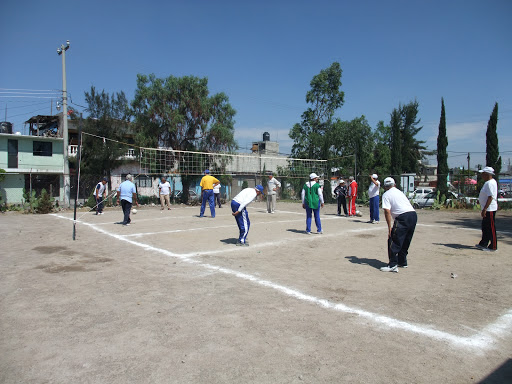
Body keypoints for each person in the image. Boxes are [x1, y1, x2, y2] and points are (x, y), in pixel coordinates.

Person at [380, 177, 417, 272]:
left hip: (402, 217)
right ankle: (402, 261)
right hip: (413, 215)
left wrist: (389, 228)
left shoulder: (386, 195)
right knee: (406, 239)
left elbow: (387, 211)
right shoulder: (399, 192)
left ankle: (392, 264)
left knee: (393, 239)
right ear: (394, 185)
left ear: (384, 187)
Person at [476, 166, 498, 252]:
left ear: (487, 174)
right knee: (485, 227)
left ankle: (493, 246)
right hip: (487, 208)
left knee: (491, 227)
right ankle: (483, 243)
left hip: (490, 209)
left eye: (483, 173)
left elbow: (490, 197)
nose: (481, 175)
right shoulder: (488, 182)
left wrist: (485, 209)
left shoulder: (490, 183)